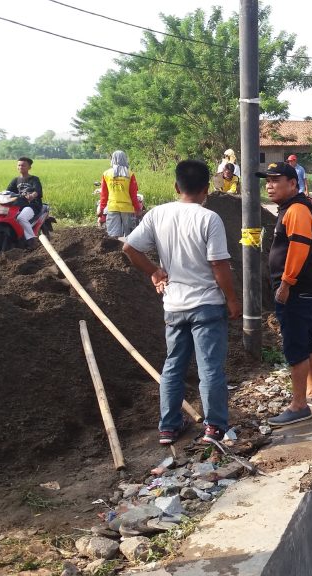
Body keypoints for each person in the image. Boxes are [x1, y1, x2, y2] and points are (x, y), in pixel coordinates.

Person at [122, 159, 242, 446]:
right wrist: (232, 299)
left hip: (174, 305)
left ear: (176, 187)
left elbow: (129, 247)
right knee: (210, 367)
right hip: (207, 304)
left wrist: (154, 271)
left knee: (173, 365)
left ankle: (168, 427)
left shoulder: (157, 214)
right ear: (206, 189)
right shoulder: (208, 218)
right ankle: (214, 427)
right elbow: (219, 264)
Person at [257, 162, 312, 427]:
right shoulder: (296, 207)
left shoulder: (296, 210)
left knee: (295, 345)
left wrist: (286, 283)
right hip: (305, 288)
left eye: (276, 180)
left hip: (296, 290)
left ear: (293, 183)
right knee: (307, 341)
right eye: (267, 181)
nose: (270, 185)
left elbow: (298, 248)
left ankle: (299, 406)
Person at [98, 150, 144, 238]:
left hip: (112, 207)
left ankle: (114, 251)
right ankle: (127, 251)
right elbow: (133, 195)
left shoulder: (106, 174)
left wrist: (101, 208)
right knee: (130, 236)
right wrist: (138, 209)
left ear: (113, 159)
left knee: (113, 236)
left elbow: (104, 195)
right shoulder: (130, 174)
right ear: (125, 159)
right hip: (127, 209)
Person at [6, 156, 43, 249]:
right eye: (19, 165)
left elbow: (37, 191)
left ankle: (32, 240)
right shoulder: (15, 180)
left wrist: (32, 195)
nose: (20, 167)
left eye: (23, 165)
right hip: (20, 204)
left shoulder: (34, 179)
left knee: (21, 218)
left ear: (29, 167)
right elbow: (8, 191)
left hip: (33, 204)